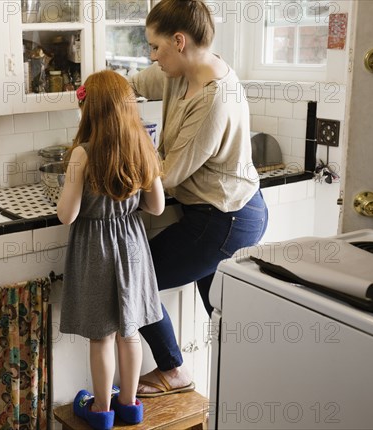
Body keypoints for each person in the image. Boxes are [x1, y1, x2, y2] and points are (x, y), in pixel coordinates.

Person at [128, 0, 269, 397]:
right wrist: (100, 90)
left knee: (135, 279)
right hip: (219, 212)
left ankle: (173, 370)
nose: (151, 56)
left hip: (224, 219)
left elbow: (167, 175)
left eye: (155, 47)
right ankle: (251, 391)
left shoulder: (212, 99)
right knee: (223, 314)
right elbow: (136, 84)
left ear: (178, 41)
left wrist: (121, 158)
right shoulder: (182, 70)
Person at [57, 70, 166, 429]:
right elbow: (157, 207)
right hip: (132, 244)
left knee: (101, 334)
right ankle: (130, 404)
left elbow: (67, 215)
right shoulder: (143, 146)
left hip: (95, 248)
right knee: (129, 330)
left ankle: (101, 410)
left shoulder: (82, 155)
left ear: (89, 110)